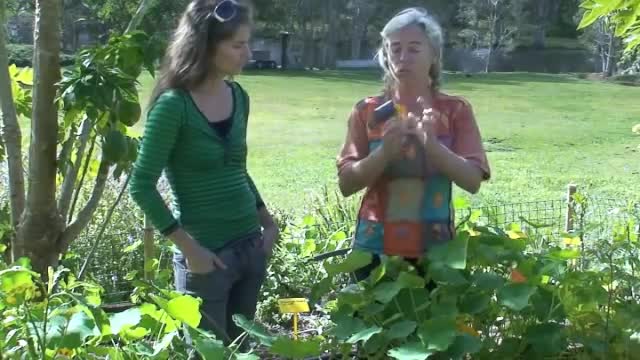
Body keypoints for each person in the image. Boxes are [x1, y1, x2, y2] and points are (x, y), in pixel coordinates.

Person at [129, 0, 278, 345]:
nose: (248, 53)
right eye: (238, 45)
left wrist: (268, 223)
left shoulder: (239, 97)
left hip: (249, 247)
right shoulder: (173, 106)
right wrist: (190, 250)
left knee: (242, 347)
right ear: (207, 46)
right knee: (206, 352)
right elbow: (141, 185)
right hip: (207, 258)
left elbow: (237, 168)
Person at [336, 7, 491, 282]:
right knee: (372, 324)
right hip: (374, 250)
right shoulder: (368, 111)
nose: (402, 57)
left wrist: (433, 147)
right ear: (385, 54)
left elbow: (472, 181)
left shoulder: (455, 111)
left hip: (436, 252)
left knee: (432, 324)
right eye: (394, 49)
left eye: (414, 49)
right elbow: (347, 184)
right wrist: (384, 153)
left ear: (434, 54)